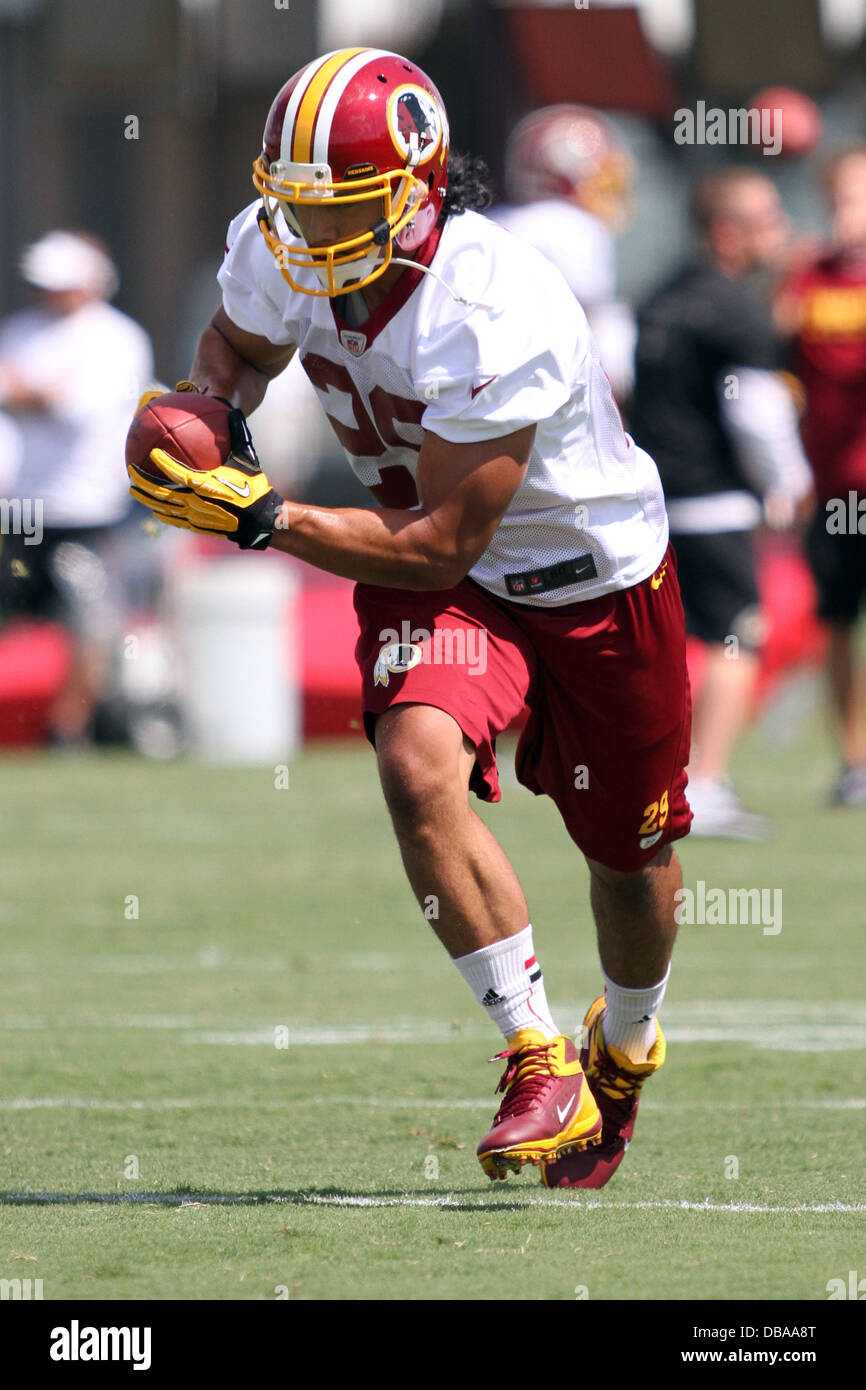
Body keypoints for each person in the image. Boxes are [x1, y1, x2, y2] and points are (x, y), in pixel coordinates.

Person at [127, 48, 692, 1190]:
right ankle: (533, 1051)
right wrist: (209, 416)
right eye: (291, 207)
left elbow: (445, 537)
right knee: (414, 764)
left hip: (581, 577)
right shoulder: (283, 237)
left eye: (335, 208)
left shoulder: (498, 305)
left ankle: (622, 1048)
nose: (304, 237)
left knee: (626, 861)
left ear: (417, 188)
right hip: (430, 568)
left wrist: (256, 514)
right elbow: (236, 347)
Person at [631, 169, 813, 839]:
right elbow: (758, 414)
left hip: (651, 498)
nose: (782, 232)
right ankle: (702, 785)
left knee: (673, 644)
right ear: (729, 233)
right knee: (740, 636)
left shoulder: (661, 295)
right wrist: (788, 481)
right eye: (768, 220)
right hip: (714, 499)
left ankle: (656, 784)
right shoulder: (733, 306)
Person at [0, 230, 154, 743]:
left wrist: (26, 391)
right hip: (21, 506)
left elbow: (74, 409)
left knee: (89, 621)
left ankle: (70, 730)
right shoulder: (20, 330)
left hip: (90, 510)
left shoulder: (116, 338)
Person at [777, 145, 866, 805]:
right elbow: (773, 352)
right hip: (832, 485)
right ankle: (854, 760)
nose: (848, 213)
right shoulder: (807, 278)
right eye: (840, 198)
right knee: (837, 621)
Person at [489, 104, 637, 404]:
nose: (607, 194)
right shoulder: (573, 228)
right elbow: (593, 327)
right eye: (600, 182)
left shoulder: (494, 221)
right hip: (542, 388)